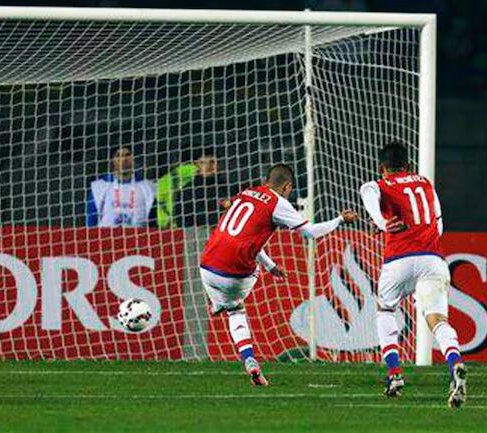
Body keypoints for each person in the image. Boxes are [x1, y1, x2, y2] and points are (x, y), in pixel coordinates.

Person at [199, 163, 357, 386]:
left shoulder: (246, 193)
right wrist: (339, 220)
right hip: (235, 275)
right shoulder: (278, 203)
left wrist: (272, 266)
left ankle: (220, 304)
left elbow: (249, 238)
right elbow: (310, 233)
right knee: (238, 304)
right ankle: (225, 308)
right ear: (287, 186)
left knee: (236, 298)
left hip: (206, 265)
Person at [360, 141, 466, 408]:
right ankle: (455, 363)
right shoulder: (426, 184)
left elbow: (367, 190)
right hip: (433, 260)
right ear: (408, 165)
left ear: (382, 168)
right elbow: (439, 224)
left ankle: (395, 374)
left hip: (399, 260)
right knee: (437, 319)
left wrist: (383, 223)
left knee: (385, 310)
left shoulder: (382, 184)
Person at [86, 146, 156, 227]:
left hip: (137, 238)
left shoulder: (147, 187)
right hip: (107, 238)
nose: (123, 159)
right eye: (118, 155)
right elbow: (91, 222)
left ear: (133, 158)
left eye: (127, 155)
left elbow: (153, 223)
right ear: (112, 160)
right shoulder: (99, 187)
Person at [157, 153, 220, 228]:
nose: (211, 166)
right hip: (194, 229)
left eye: (213, 162)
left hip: (173, 227)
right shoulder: (192, 187)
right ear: (196, 163)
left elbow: (159, 202)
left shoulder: (166, 180)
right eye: (211, 162)